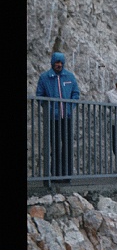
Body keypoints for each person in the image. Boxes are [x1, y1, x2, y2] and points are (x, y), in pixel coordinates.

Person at [36, 51, 81, 180]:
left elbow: (76, 93)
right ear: (52, 63)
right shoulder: (45, 77)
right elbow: (40, 95)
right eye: (57, 62)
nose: (59, 65)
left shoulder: (69, 76)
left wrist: (70, 107)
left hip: (66, 118)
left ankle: (67, 175)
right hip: (52, 118)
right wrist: (49, 109)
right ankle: (56, 175)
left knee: (67, 146)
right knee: (55, 146)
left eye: (61, 62)